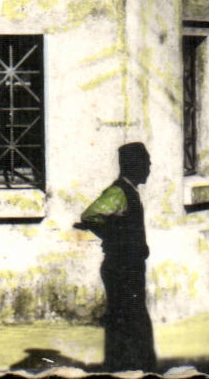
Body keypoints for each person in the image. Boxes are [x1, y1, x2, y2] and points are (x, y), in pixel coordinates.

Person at [75, 142, 158, 372]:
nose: (150, 167)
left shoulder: (128, 191)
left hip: (129, 265)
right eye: (146, 162)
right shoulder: (119, 191)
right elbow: (91, 215)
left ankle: (130, 365)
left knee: (129, 316)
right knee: (128, 317)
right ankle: (129, 367)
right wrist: (118, 238)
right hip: (121, 266)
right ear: (135, 165)